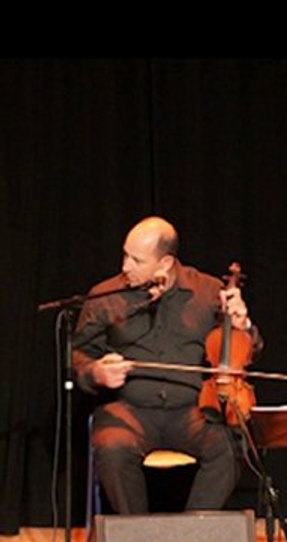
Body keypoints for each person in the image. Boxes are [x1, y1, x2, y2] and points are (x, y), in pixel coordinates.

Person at [73, 216, 261, 514]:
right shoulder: (106, 296)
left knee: (232, 444)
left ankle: (190, 536)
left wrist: (244, 324)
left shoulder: (209, 292)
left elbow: (246, 350)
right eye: (125, 255)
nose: (125, 267)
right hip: (130, 412)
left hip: (193, 412)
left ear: (165, 264)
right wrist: (95, 371)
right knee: (111, 446)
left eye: (136, 260)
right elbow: (78, 354)